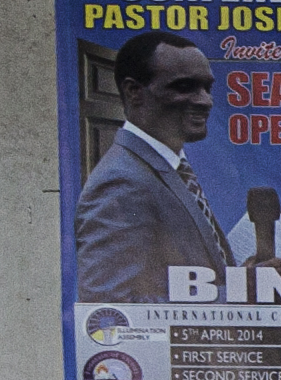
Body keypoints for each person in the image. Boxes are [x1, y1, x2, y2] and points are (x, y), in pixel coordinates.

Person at [70, 32, 235, 299]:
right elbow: (112, 307)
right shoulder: (122, 181)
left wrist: (247, 283)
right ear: (135, 92)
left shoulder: (167, 167)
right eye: (184, 87)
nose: (205, 101)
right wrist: (235, 295)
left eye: (207, 87)